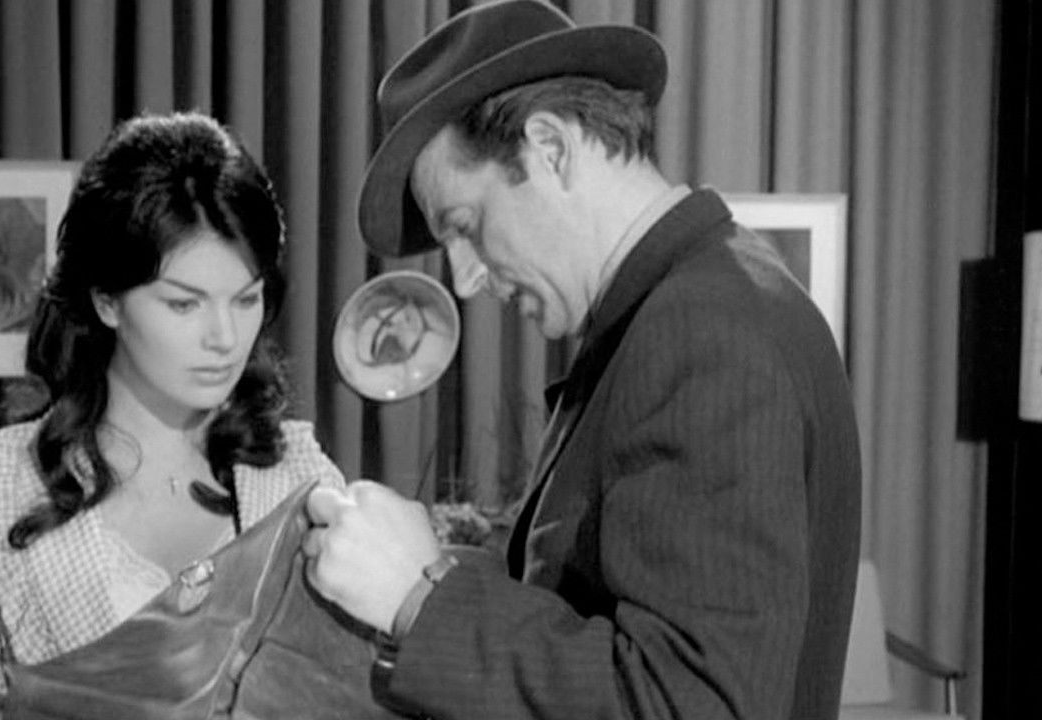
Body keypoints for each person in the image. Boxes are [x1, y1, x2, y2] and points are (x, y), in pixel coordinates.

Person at [302, 2, 862, 719]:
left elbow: (687, 702)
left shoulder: (703, 330)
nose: (466, 279)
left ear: (551, 147)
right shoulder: (702, 299)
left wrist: (421, 597)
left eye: (466, 226)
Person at [0, 111, 346, 719]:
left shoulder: (299, 480)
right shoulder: (4, 494)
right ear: (107, 301)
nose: (225, 337)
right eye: (184, 304)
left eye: (246, 299)